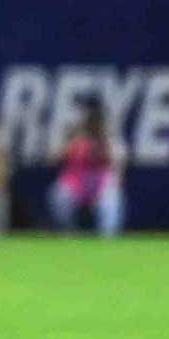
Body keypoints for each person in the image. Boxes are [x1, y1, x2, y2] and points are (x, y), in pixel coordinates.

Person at [48, 97, 125, 236]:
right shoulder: (73, 135)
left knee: (112, 199)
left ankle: (107, 240)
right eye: (88, 118)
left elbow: (118, 162)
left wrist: (104, 141)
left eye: (94, 119)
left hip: (100, 182)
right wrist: (71, 138)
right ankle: (68, 236)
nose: (91, 122)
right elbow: (53, 158)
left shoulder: (109, 136)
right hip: (76, 181)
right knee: (59, 195)